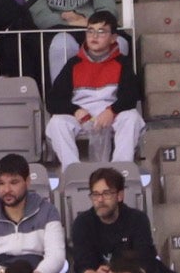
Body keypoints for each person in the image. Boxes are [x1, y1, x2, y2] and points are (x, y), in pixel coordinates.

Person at [47, 12, 146, 165]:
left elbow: (131, 96)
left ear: (113, 38)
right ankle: (73, 170)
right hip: (81, 115)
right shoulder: (74, 64)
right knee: (57, 122)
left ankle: (121, 169)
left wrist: (112, 111)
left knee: (131, 117)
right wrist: (75, 110)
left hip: (111, 114)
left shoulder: (122, 63)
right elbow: (53, 100)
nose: (94, 36)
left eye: (101, 32)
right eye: (90, 31)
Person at [69, 169, 159, 273]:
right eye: (95, 194)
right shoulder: (82, 223)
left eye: (106, 193)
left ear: (120, 195)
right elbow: (82, 268)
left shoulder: (137, 220)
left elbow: (146, 262)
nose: (100, 200)